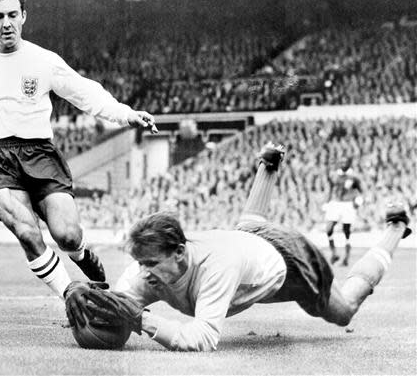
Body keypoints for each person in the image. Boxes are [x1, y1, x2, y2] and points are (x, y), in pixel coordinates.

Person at [0, 0, 157, 299]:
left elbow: (84, 92)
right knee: (27, 232)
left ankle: (82, 255)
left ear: (24, 16)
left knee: (67, 235)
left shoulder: (43, 60)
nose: (6, 23)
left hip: (40, 154)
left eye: (12, 15)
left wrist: (126, 114)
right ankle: (72, 297)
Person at [65, 142, 412, 352]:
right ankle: (268, 165)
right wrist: (79, 296)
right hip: (245, 238)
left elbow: (202, 338)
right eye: (141, 263)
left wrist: (142, 319)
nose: (143, 273)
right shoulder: (150, 266)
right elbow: (120, 300)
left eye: (151, 263)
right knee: (248, 225)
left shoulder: (216, 268)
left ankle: (396, 228)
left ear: (180, 254)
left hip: (285, 259)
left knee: (344, 309)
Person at [324, 157, 363, 266]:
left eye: (345, 162)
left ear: (349, 164)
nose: (343, 164)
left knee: (346, 231)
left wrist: (359, 201)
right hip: (335, 203)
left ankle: (346, 257)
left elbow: (362, 191)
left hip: (348, 204)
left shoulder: (354, 177)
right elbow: (331, 189)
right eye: (341, 162)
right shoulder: (334, 175)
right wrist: (327, 202)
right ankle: (334, 253)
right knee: (328, 228)